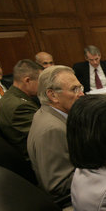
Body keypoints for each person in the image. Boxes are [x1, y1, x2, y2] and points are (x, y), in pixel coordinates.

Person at [27, 65, 84, 203]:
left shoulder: (45, 113)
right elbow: (58, 185)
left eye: (80, 87)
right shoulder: (52, 130)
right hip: (76, 201)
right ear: (52, 95)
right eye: (74, 89)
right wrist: (103, 168)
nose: (81, 94)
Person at [0, 60, 43, 157]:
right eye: (41, 81)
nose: (44, 86)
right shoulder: (20, 106)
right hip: (36, 156)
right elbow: (45, 135)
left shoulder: (12, 95)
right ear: (27, 80)